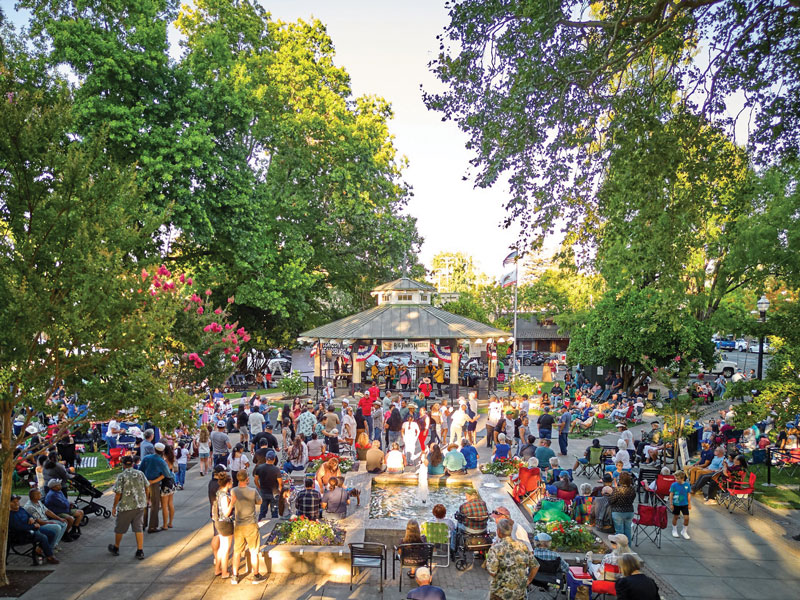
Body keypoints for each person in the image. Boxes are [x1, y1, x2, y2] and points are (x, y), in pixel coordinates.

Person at [225, 470, 263, 585]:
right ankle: (256, 575)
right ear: (247, 479)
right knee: (254, 551)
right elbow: (259, 502)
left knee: (237, 551)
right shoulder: (252, 491)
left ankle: (235, 576)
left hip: (239, 525)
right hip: (251, 524)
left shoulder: (233, 491)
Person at [486, 518, 538, 600]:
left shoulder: (496, 549)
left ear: (498, 531)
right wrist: (529, 580)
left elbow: (492, 571)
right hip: (519, 592)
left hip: (500, 592)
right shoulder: (522, 546)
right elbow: (535, 566)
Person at [108, 455, 148, 559]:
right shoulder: (140, 473)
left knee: (120, 528)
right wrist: (146, 499)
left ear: (123, 464)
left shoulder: (122, 476)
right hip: (139, 505)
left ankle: (116, 547)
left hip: (125, 506)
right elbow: (147, 486)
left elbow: (118, 493)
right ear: (133, 463)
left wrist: (114, 506)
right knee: (138, 528)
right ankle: (140, 550)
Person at [9, 494, 59, 564]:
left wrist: (31, 518)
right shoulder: (10, 515)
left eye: (17, 501)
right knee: (43, 537)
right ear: (8, 503)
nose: (16, 503)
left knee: (51, 533)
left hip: (31, 530)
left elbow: (29, 515)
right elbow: (19, 527)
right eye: (13, 502)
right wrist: (34, 526)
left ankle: (39, 549)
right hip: (21, 535)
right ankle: (49, 556)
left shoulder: (20, 509)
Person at [140, 442, 172, 533]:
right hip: (154, 484)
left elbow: (140, 470)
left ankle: (142, 524)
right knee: (155, 505)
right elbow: (167, 474)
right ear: (162, 451)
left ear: (154, 449)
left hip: (144, 483)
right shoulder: (161, 461)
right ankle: (152, 526)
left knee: (144, 503)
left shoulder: (146, 458)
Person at [253, 450, 282, 520]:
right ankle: (273, 524)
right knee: (274, 512)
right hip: (274, 493)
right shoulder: (276, 470)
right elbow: (280, 483)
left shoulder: (259, 468)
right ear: (274, 459)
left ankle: (259, 523)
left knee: (262, 511)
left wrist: (259, 487)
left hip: (263, 492)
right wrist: (280, 491)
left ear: (266, 458)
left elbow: (255, 480)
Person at [609, 472, 636, 541]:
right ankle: (628, 546)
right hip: (629, 511)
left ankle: (620, 547)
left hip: (618, 511)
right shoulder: (632, 489)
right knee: (628, 532)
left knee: (619, 532)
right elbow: (632, 499)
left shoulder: (617, 490)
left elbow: (611, 501)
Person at [669, 470, 692, 539]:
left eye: (678, 478)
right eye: (675, 478)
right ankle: (674, 530)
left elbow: (688, 494)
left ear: (682, 478)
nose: (676, 480)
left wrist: (689, 503)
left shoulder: (687, 485)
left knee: (686, 518)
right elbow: (671, 494)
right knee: (675, 517)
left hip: (684, 503)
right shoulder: (674, 485)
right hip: (676, 504)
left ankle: (684, 531)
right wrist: (671, 503)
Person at [161, 444, 177, 529]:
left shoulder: (165, 461)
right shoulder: (172, 459)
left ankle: (164, 525)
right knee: (170, 503)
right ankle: (170, 523)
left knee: (164, 505)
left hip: (165, 483)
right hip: (171, 482)